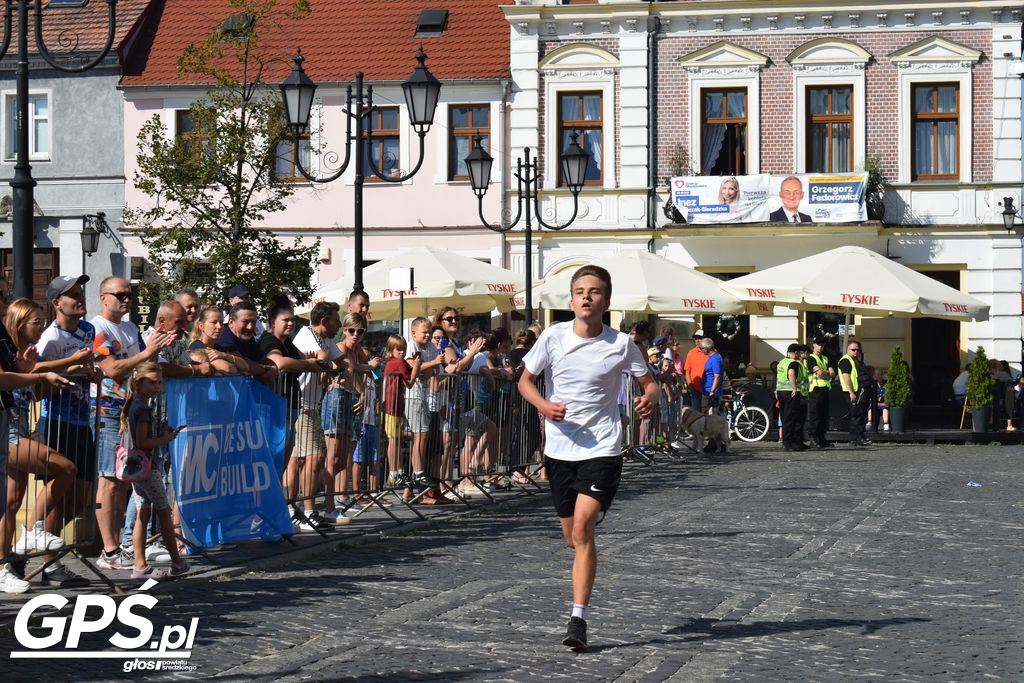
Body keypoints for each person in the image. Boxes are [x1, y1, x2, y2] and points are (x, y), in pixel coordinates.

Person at [518, 264, 659, 652]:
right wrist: (545, 406)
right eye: (580, 290)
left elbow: (650, 383)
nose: (586, 297)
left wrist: (649, 399)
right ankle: (585, 538)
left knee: (582, 528)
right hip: (560, 450)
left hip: (602, 447)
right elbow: (524, 382)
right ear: (571, 299)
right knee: (571, 537)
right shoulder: (552, 336)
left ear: (606, 300)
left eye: (594, 291)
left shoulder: (620, 344)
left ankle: (577, 618)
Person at [90, 276, 176, 571]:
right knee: (109, 480)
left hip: (130, 409)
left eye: (129, 295)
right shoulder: (96, 329)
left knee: (123, 481)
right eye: (120, 295)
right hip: (108, 409)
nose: (127, 300)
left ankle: (117, 546)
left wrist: (158, 350)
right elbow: (113, 369)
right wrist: (147, 352)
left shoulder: (128, 327)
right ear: (104, 297)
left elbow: (143, 365)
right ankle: (110, 548)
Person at [0, 297, 78, 592]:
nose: (41, 327)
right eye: (36, 322)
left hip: (19, 430)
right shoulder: (10, 354)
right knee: (66, 468)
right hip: (8, 434)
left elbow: (33, 386)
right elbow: (13, 381)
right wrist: (41, 371)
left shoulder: (22, 356)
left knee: (10, 503)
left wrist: (45, 375)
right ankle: (33, 530)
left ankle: (5, 564)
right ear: (20, 324)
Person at [120, 362, 189, 579]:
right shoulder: (140, 408)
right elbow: (143, 441)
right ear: (139, 383)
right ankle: (176, 562)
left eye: (159, 382)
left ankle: (140, 565)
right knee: (162, 512)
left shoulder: (140, 405)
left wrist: (161, 432)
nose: (156, 387)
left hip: (138, 467)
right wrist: (166, 438)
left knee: (144, 512)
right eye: (151, 382)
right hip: (146, 467)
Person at [259, 303, 322, 525]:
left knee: (284, 460)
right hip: (275, 407)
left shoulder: (288, 343)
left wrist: (307, 362)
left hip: (290, 405)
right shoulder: (269, 341)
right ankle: (269, 512)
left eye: (292, 319)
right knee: (274, 460)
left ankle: (281, 508)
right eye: (285, 319)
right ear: (272, 321)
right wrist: (307, 363)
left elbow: (303, 359)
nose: (290, 323)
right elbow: (280, 362)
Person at [291, 301, 348, 530]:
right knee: (310, 459)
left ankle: (298, 510)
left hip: (314, 404)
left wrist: (332, 367)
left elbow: (341, 361)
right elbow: (326, 357)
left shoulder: (326, 338)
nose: (340, 326)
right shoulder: (307, 335)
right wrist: (329, 365)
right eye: (336, 321)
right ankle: (307, 512)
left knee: (303, 459)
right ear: (324, 321)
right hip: (301, 403)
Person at [322, 313, 368, 519]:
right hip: (337, 398)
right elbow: (335, 370)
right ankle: (328, 505)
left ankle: (329, 498)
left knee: (343, 457)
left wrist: (363, 394)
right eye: (351, 330)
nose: (355, 334)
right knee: (333, 457)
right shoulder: (339, 348)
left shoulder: (360, 352)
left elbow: (361, 376)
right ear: (345, 330)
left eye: (360, 331)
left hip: (350, 399)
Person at [405, 317, 445, 502]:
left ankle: (412, 489)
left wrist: (429, 366)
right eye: (424, 332)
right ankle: (418, 475)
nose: (428, 335)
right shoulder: (412, 346)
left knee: (423, 436)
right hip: (412, 396)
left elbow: (429, 372)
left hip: (424, 397)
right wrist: (433, 364)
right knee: (419, 436)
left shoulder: (429, 349)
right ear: (414, 333)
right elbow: (414, 366)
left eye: (429, 332)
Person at [383, 335, 421, 489]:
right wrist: (417, 366)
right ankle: (393, 473)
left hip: (395, 406)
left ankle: (397, 471)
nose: (402, 352)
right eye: (398, 349)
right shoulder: (397, 362)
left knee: (396, 439)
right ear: (391, 350)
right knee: (393, 440)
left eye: (404, 349)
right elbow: (410, 382)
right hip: (393, 406)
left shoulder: (396, 361)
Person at [215, 302, 277, 383]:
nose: (250, 327)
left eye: (253, 322)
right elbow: (241, 363)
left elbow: (262, 359)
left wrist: (274, 368)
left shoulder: (247, 337)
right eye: (245, 322)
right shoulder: (224, 335)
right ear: (231, 322)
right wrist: (263, 369)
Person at [189, 307, 245, 374]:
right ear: (201, 326)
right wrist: (239, 369)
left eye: (221, 322)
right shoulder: (197, 346)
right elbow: (227, 368)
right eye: (214, 322)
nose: (219, 326)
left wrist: (225, 355)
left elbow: (245, 365)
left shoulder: (218, 348)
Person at [838, 340, 871, 447]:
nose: (856, 352)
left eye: (858, 350)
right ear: (848, 350)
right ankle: (855, 438)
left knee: (861, 414)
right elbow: (846, 377)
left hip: (860, 391)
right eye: (853, 350)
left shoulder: (857, 360)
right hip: (852, 392)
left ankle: (860, 436)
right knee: (856, 415)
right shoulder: (846, 361)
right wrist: (851, 392)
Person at [776, 343, 809, 451]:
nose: (800, 354)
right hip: (791, 393)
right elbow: (791, 374)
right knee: (790, 419)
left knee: (785, 417)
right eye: (799, 352)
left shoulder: (782, 362)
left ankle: (789, 442)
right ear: (795, 352)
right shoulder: (793, 363)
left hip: (781, 392)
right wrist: (794, 388)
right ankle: (788, 443)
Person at [805, 337, 835, 449]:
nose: (821, 347)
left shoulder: (825, 358)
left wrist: (825, 373)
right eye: (818, 344)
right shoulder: (811, 358)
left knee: (824, 415)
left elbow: (832, 373)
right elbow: (820, 373)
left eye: (822, 345)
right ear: (813, 345)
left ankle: (822, 438)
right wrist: (826, 373)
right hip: (815, 389)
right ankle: (813, 439)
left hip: (825, 389)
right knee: (815, 415)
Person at [700, 337, 724, 414]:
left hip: (711, 394)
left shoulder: (715, 359)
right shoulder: (712, 358)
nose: (701, 350)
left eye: (701, 348)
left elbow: (717, 376)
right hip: (707, 392)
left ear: (706, 348)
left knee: (710, 419)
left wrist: (712, 392)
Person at [683, 330, 705, 409]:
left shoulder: (711, 352)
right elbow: (687, 371)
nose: (697, 340)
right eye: (696, 338)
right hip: (695, 389)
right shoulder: (691, 353)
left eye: (700, 338)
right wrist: (690, 385)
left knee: (708, 416)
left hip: (708, 389)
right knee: (696, 414)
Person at [867, 367, 889, 432]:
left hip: (883, 402)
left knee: (885, 409)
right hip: (873, 402)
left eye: (880, 375)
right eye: (877, 375)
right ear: (874, 376)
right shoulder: (872, 384)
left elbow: (887, 394)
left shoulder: (885, 384)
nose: (879, 376)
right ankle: (869, 422)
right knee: (870, 408)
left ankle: (886, 424)